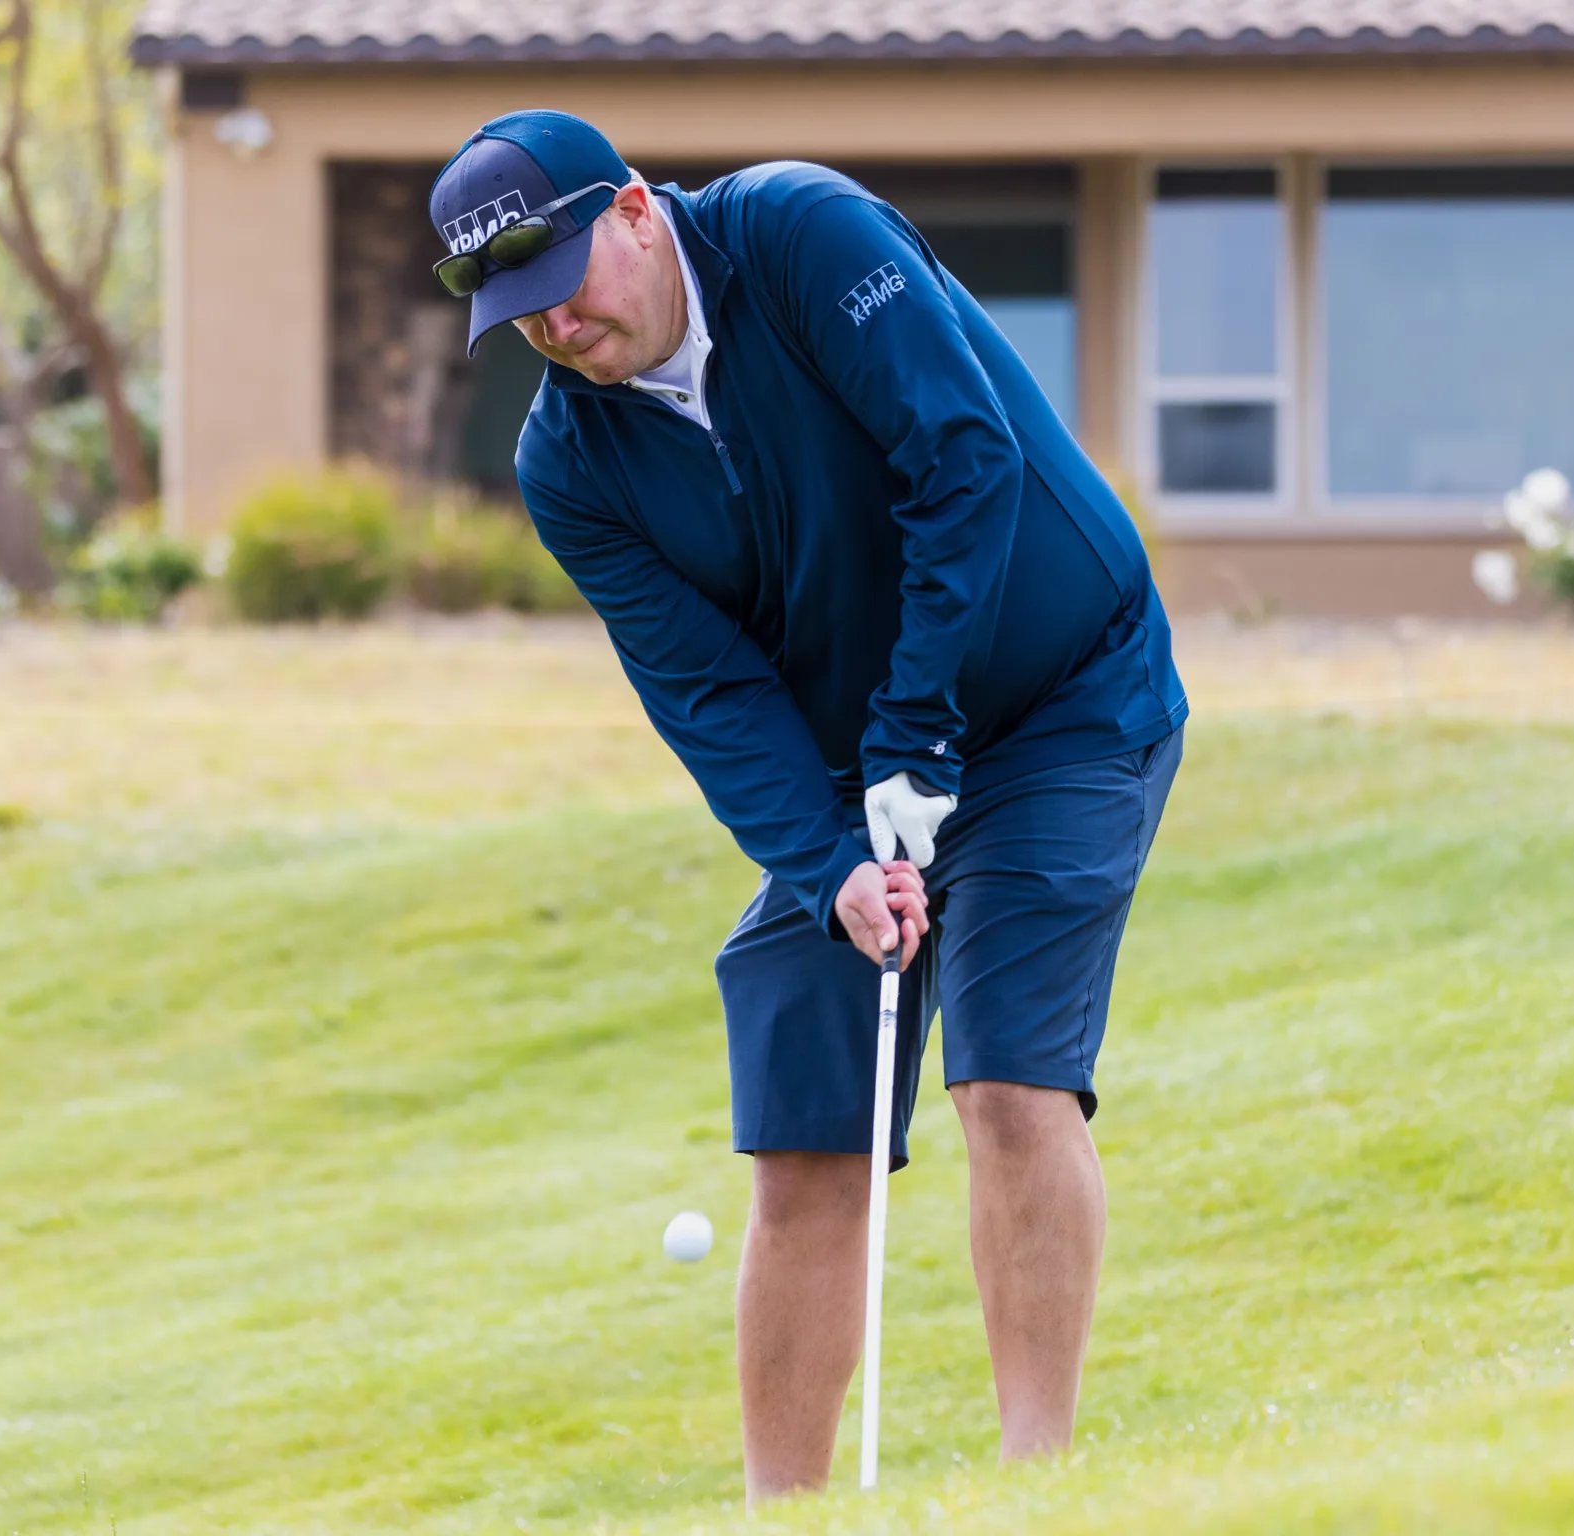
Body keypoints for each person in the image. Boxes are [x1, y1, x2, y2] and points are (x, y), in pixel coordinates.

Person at [427, 111, 1186, 1498]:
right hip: (852, 771)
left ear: (639, 211)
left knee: (1010, 1078)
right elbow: (706, 691)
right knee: (806, 1129)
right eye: (518, 314)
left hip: (1063, 692)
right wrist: (830, 859)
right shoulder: (570, 463)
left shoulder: (800, 236)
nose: (554, 328)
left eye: (564, 285)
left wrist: (916, 736)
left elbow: (965, 463)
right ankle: (783, 1516)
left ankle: (1039, 1492)